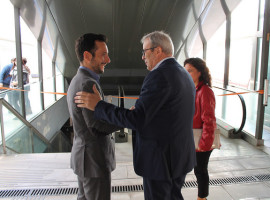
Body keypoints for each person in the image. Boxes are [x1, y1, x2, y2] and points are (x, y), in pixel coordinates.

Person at [74, 31, 196, 200]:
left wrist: (99, 106)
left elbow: (138, 119)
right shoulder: (183, 74)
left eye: (145, 51)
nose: (142, 57)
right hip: (179, 157)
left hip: (161, 161)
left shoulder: (158, 76)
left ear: (158, 50)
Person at [67, 33, 121, 200]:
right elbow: (97, 127)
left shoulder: (77, 79)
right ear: (87, 55)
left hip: (85, 159)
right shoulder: (87, 83)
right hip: (94, 162)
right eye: (103, 54)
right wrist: (126, 118)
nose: (108, 59)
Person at [184, 58, 216, 200]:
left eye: (190, 71)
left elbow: (209, 120)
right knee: (191, 168)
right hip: (191, 137)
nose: (187, 74)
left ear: (200, 72)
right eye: (185, 71)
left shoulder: (205, 91)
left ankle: (202, 197)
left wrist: (205, 144)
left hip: (202, 139)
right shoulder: (191, 89)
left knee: (200, 170)